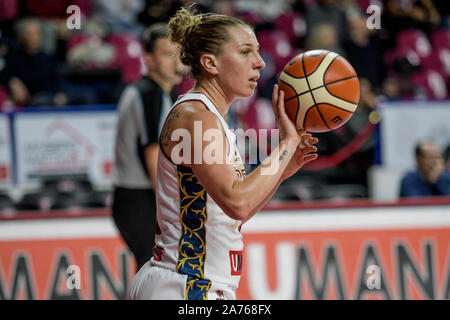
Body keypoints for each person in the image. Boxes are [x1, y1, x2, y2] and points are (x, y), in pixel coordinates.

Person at [127, 5, 319, 300]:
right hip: (186, 285)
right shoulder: (195, 117)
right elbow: (237, 203)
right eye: (245, 52)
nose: (260, 63)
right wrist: (285, 145)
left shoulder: (209, 116)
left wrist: (284, 169)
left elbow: (233, 216)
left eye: (257, 51)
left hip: (191, 283)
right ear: (210, 63)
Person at [112, 22, 184, 272]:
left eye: (178, 54)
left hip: (140, 198)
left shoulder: (161, 94)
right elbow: (152, 153)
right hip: (139, 199)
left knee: (154, 274)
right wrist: (171, 206)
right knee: (153, 274)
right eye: (167, 54)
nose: (176, 62)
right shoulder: (147, 94)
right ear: (149, 60)